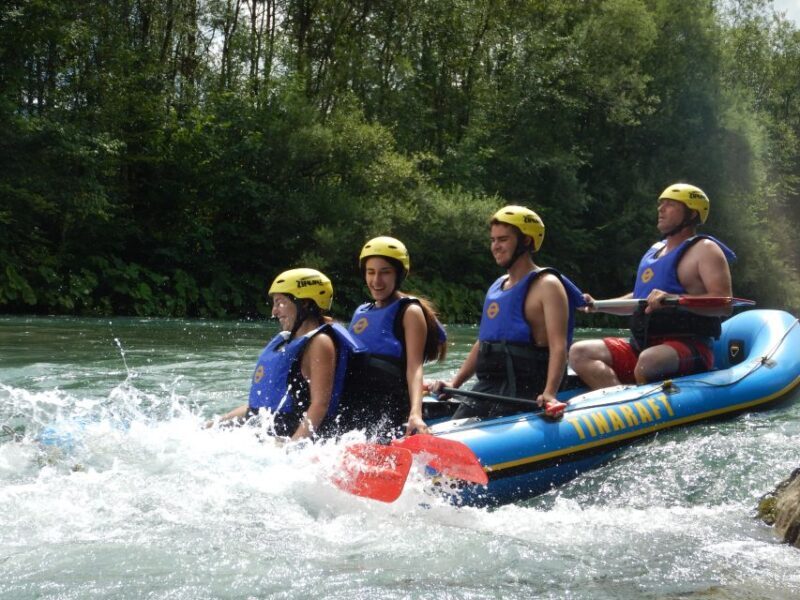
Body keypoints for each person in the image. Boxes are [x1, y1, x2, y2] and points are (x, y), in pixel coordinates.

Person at [568, 183, 736, 388]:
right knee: (579, 352)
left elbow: (724, 304)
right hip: (643, 346)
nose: (661, 209)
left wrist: (674, 300)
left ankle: (633, 396)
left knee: (648, 362)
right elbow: (639, 299)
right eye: (661, 204)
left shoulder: (706, 249)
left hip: (689, 347)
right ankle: (620, 399)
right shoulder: (656, 251)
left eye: (670, 204)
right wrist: (597, 305)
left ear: (692, 214)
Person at [428, 206, 585, 419]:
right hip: (490, 388)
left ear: (526, 241)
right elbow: (484, 342)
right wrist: (455, 383)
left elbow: (559, 346)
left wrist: (549, 393)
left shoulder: (547, 285)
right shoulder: (498, 286)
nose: (495, 246)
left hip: (527, 390)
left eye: (503, 239)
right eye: (493, 240)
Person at [211, 268, 364, 440]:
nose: (274, 311)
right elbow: (260, 407)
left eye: (280, 302)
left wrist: (291, 447)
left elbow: (320, 405)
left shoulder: (320, 343)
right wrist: (214, 424)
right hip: (267, 434)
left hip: (293, 441)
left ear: (304, 303)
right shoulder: (289, 341)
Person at [342, 236, 447, 438]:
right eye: (370, 272)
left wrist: (415, 414)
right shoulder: (361, 312)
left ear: (399, 274)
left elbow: (414, 367)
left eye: (385, 272)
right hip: (355, 408)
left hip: (388, 410)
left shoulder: (410, 312)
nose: (376, 280)